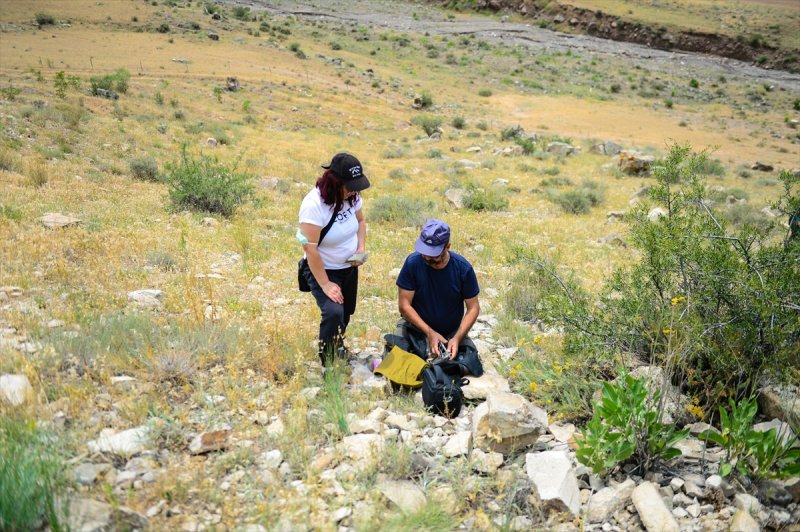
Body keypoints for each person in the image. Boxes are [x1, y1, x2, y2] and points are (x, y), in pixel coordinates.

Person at [298, 153, 370, 366]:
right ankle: (327, 361)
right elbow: (310, 249)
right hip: (323, 268)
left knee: (346, 311)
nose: (354, 191)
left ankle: (337, 346)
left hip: (348, 267)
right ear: (335, 182)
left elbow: (362, 221)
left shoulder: (353, 197)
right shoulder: (313, 205)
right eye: (350, 186)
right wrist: (326, 284)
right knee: (333, 312)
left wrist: (360, 248)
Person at [393, 219, 483, 377]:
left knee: (469, 365)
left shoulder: (463, 269)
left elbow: (473, 307)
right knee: (397, 365)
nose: (427, 258)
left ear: (447, 246)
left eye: (433, 254)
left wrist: (457, 338)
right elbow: (404, 305)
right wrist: (429, 333)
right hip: (415, 328)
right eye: (424, 252)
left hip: (451, 332)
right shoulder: (412, 263)